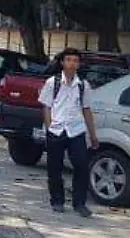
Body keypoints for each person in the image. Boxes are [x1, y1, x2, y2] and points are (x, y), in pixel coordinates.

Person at [40, 48, 99, 216]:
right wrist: (49, 126)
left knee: (81, 165)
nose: (72, 64)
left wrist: (92, 134)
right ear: (62, 62)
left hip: (76, 130)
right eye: (69, 60)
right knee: (54, 167)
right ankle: (57, 200)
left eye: (75, 60)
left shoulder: (83, 85)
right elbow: (46, 106)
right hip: (57, 129)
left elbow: (86, 109)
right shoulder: (53, 82)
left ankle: (79, 203)